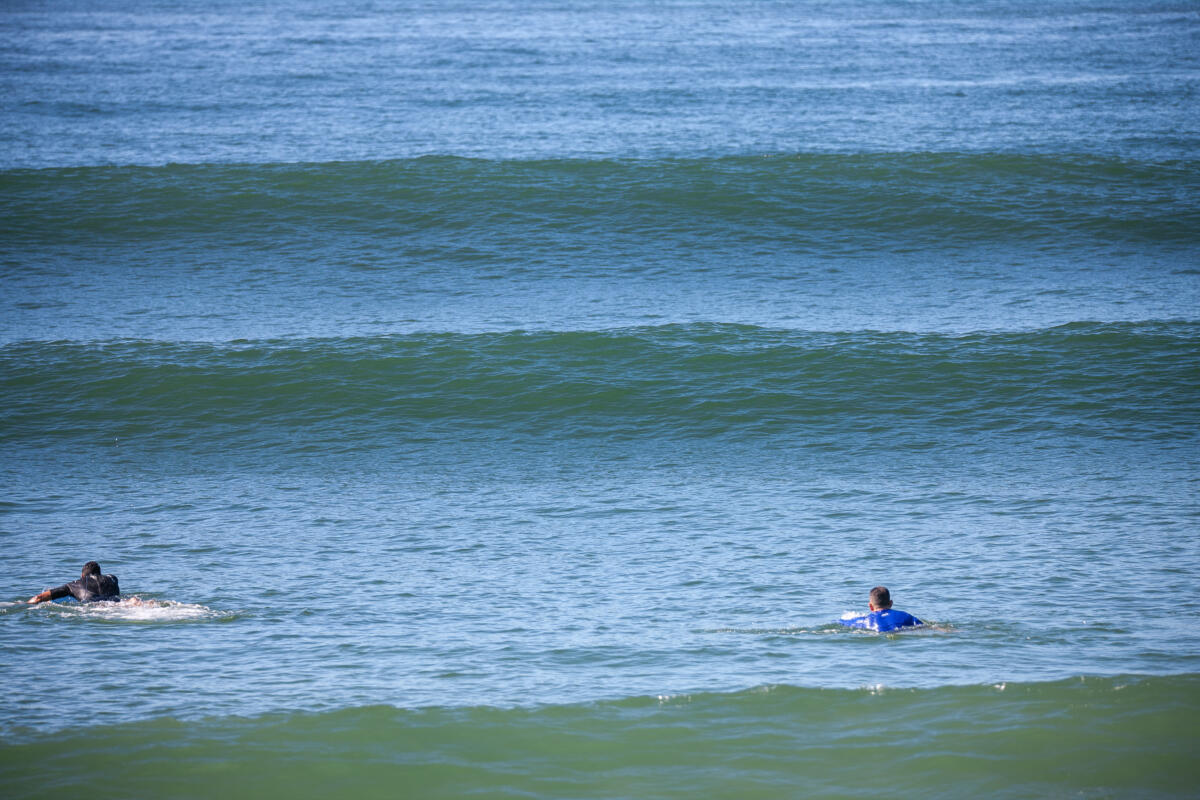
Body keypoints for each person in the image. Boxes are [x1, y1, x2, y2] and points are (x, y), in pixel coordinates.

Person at [27, 561, 120, 604]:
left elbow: (38, 598)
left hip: (95, 606)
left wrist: (22, 605)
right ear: (100, 573)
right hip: (117, 603)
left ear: (82, 576)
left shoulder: (73, 585)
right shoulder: (113, 579)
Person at [838, 585, 922, 632]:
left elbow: (840, 622)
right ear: (891, 603)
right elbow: (927, 627)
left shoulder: (863, 621)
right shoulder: (905, 616)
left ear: (870, 606)